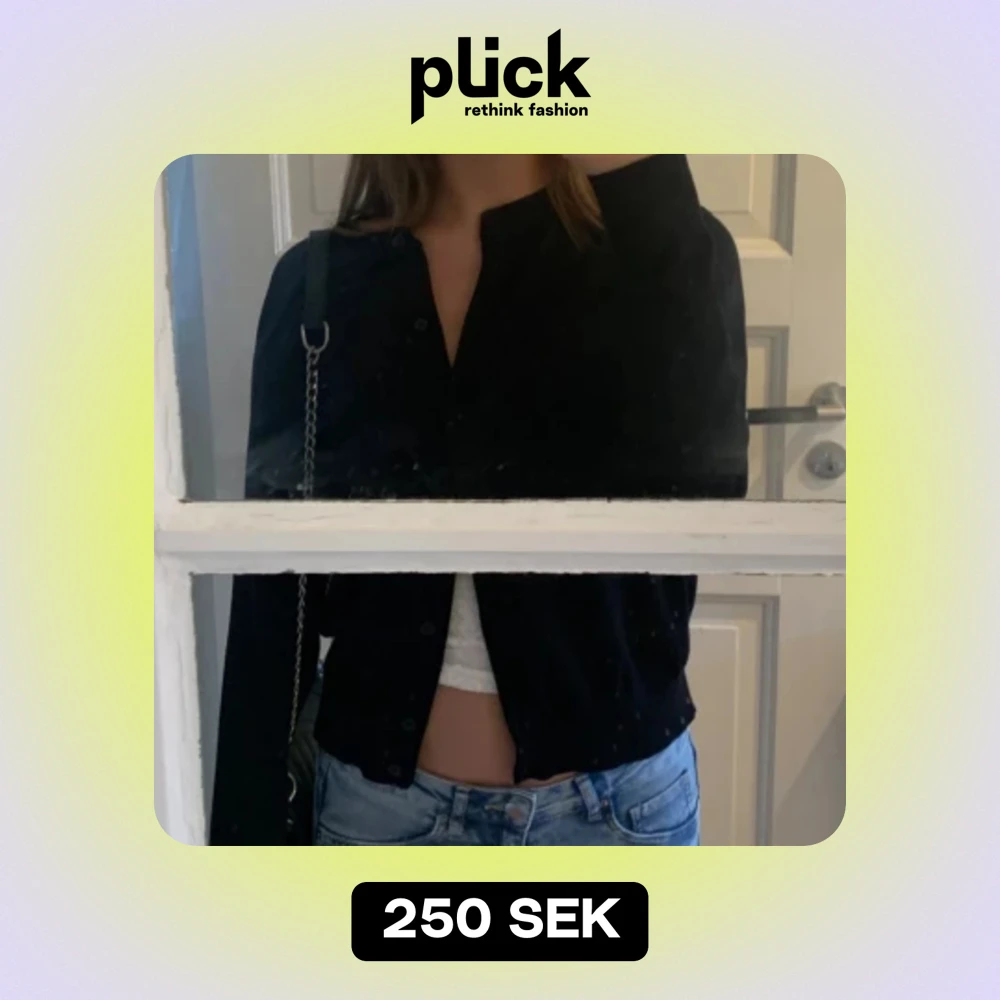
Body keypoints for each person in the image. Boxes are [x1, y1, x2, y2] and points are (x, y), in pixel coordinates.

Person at [209, 154, 748, 847]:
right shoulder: (322, 282)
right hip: (382, 811)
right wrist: (243, 838)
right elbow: (272, 586)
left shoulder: (663, 247)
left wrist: (639, 182)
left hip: (620, 810)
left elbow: (708, 493)